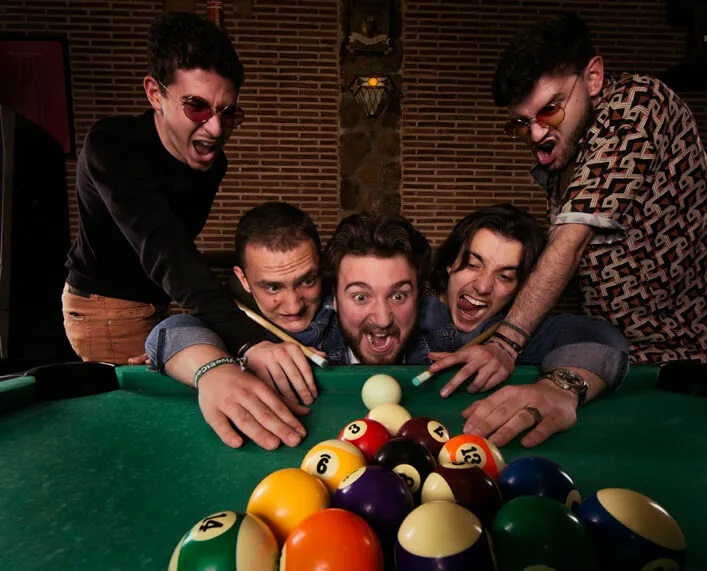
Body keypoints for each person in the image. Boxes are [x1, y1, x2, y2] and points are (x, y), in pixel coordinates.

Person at [438, 13, 707, 398]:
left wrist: (506, 343)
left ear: (593, 77)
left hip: (684, 364)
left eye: (551, 109)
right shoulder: (567, 152)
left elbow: (572, 240)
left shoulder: (637, 105)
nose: (536, 133)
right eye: (522, 123)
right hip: (606, 359)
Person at [62, 12, 269, 365]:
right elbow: (166, 249)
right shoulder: (111, 146)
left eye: (227, 112)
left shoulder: (212, 163)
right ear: (155, 94)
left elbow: (179, 248)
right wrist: (250, 341)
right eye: (197, 106)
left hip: (158, 299)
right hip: (108, 309)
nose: (216, 129)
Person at [422, 204, 629, 447]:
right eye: (473, 264)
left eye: (505, 276)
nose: (483, 286)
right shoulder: (411, 310)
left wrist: (560, 389)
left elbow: (601, 336)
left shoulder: (522, 334)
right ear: (450, 263)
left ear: (522, 289)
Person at [145, 202, 334, 450]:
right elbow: (168, 332)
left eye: (307, 281)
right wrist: (212, 367)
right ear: (243, 279)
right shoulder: (228, 320)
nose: (294, 305)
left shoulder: (344, 307)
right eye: (273, 287)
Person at [319, 212, 433, 365]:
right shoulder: (306, 356)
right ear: (335, 299)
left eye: (398, 296)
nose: (383, 321)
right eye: (361, 297)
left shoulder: (451, 353)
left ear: (418, 296)